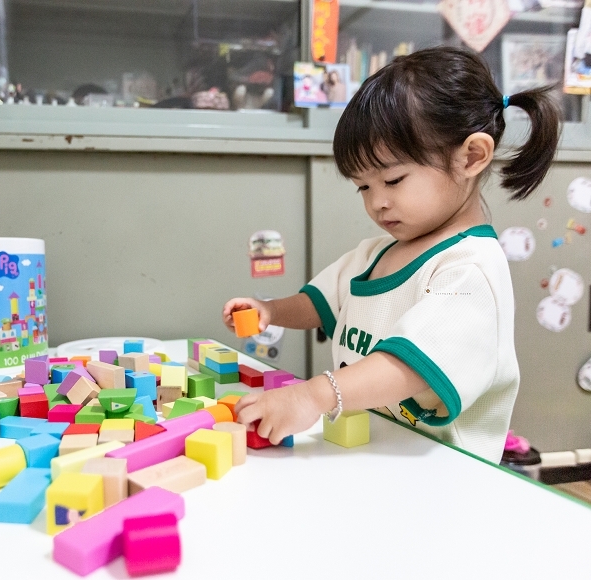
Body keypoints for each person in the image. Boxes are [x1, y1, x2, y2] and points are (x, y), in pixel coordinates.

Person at [223, 46, 560, 463]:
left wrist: (313, 395)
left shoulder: (470, 269)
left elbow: (413, 365)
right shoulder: (376, 253)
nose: (377, 203)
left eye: (393, 180)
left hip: (445, 477)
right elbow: (321, 300)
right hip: (376, 454)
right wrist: (271, 310)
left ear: (471, 156)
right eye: (364, 187)